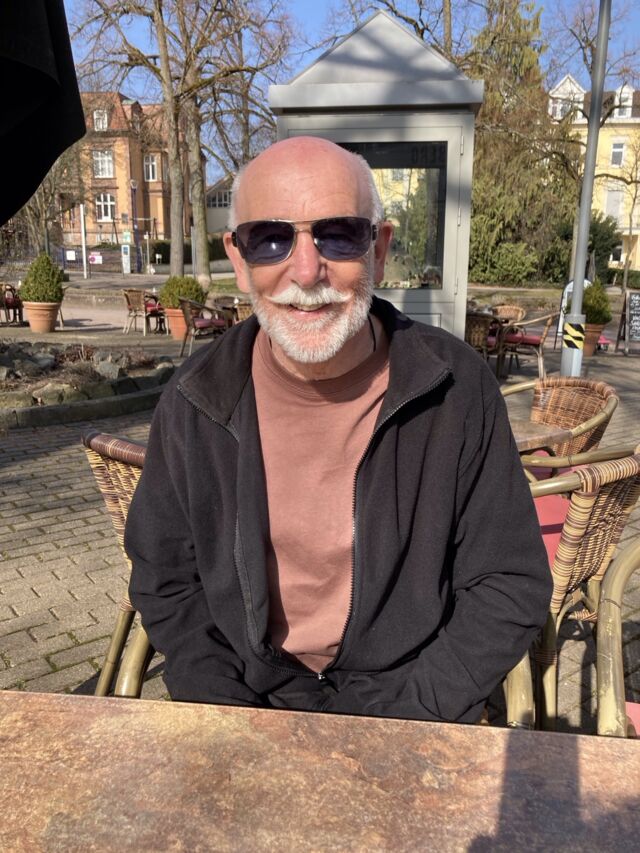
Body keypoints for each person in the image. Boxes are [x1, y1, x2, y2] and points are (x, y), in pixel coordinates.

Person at [125, 136, 551, 723]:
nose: (306, 272)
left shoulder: (456, 388)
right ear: (239, 258)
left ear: (379, 249)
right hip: (248, 698)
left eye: (339, 235)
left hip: (408, 700)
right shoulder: (195, 400)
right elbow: (166, 578)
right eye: (270, 239)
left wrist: (408, 717)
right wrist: (227, 715)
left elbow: (507, 581)